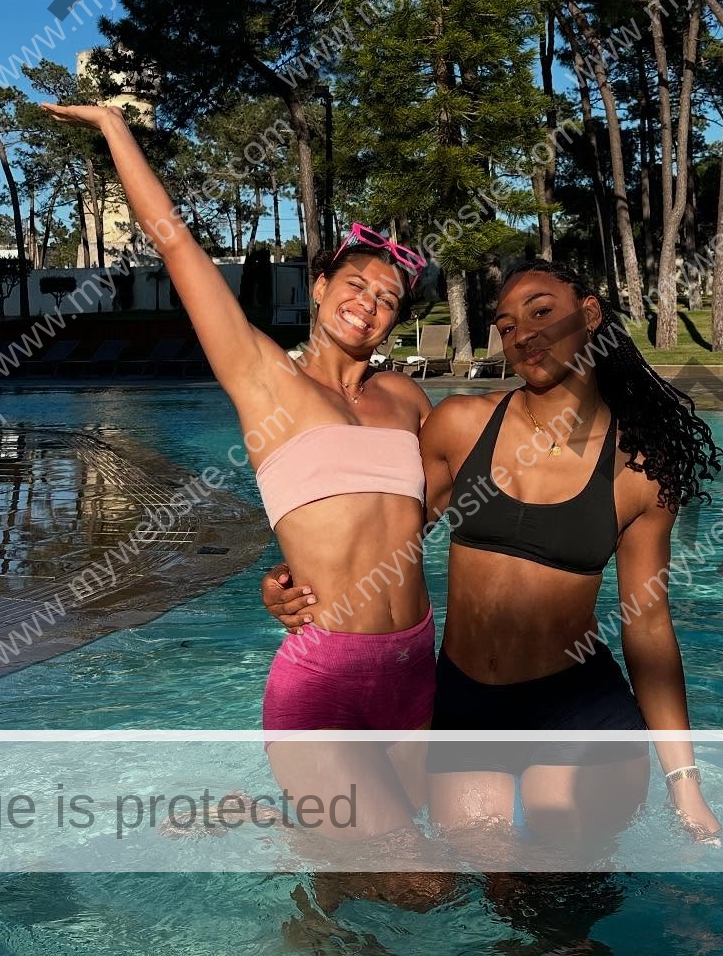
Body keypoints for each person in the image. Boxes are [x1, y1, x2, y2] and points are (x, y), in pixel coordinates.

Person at [43, 103, 438, 835]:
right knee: (421, 883)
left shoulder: (407, 399)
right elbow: (175, 243)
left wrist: (282, 575)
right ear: (319, 287)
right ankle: (259, 817)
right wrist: (112, 129)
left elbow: (423, 512)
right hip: (324, 674)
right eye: (356, 285)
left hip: (414, 664)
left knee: (356, 900)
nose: (369, 305)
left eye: (388, 300)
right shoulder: (264, 378)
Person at [264, 257, 723, 848]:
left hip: (576, 707)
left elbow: (650, 626)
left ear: (589, 315)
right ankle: (287, 831)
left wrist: (685, 782)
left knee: (559, 899)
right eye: (506, 326)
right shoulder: (460, 426)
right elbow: (382, 530)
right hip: (466, 709)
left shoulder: (638, 470)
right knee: (477, 884)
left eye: (540, 313)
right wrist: (287, 582)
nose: (522, 335)